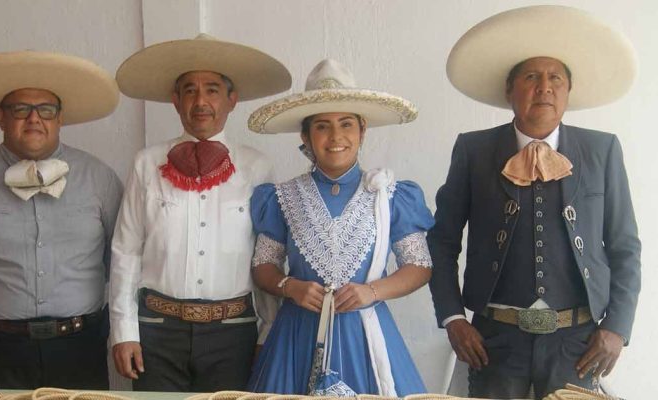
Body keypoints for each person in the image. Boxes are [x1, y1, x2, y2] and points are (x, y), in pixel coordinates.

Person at [428, 6, 641, 399]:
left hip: (577, 343)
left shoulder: (602, 150)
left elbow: (626, 247)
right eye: (531, 77)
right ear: (510, 90)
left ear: (567, 91)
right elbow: (441, 241)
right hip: (493, 341)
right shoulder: (474, 150)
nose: (544, 86)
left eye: (555, 77)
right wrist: (454, 317)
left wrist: (618, 327)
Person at [0, 50, 123, 389]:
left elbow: (118, 252)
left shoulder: (100, 178)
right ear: (1, 117)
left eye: (46, 110)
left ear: (60, 119)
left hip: (81, 342)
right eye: (20, 109)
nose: (34, 119)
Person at [109, 33, 291, 392]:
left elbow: (267, 254)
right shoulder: (147, 163)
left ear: (232, 99)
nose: (201, 101)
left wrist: (267, 331)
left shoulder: (257, 166)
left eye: (212, 89)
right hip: (156, 331)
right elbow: (126, 250)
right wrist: (123, 330)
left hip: (233, 333)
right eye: (190, 90)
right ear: (176, 101)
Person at [245, 58, 433, 396]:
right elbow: (263, 266)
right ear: (305, 134)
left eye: (346, 124)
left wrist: (371, 292)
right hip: (296, 338)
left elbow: (418, 266)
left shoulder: (390, 195)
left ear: (362, 130)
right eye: (322, 126)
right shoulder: (281, 197)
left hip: (366, 335)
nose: (336, 136)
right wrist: (290, 286)